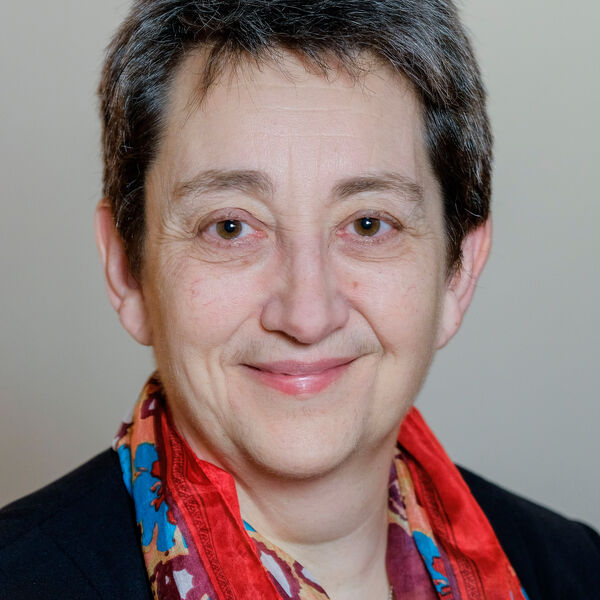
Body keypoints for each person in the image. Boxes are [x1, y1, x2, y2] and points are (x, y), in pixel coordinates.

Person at [1, 0, 598, 598]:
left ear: (457, 273)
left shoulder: (576, 570)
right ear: (127, 271)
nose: (307, 316)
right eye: (230, 227)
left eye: (368, 224)